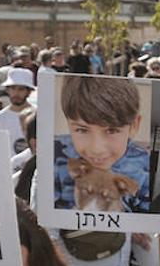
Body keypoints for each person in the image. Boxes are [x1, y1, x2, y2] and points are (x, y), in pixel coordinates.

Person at [54, 75, 151, 214]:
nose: (97, 149)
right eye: (82, 129)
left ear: (134, 125)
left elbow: (149, 225)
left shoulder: (145, 168)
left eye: (111, 130)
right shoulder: (55, 157)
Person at [0, 68, 37, 155]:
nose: (16, 93)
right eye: (13, 88)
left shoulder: (38, 115)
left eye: (21, 89)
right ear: (7, 90)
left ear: (29, 92)